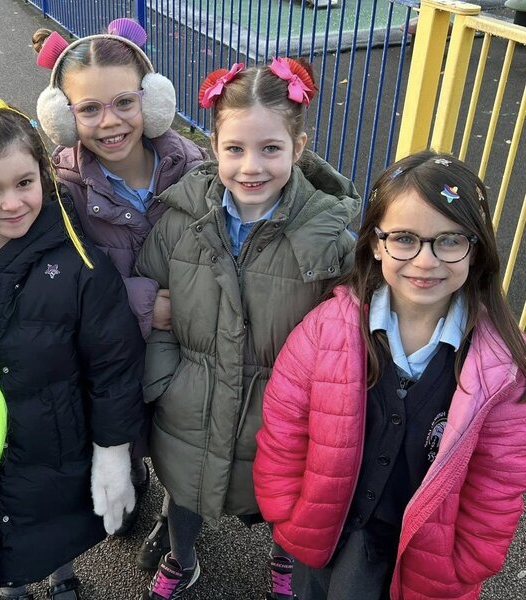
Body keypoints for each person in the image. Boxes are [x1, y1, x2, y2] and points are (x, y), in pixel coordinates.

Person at [254, 151, 526, 599]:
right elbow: (285, 428)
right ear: (376, 243)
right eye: (404, 238)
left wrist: (466, 561)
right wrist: (287, 512)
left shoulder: (500, 368)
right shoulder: (326, 329)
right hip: (327, 536)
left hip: (427, 559)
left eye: (449, 240)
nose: (425, 261)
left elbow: (498, 481)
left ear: (475, 249)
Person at [135, 59, 360, 599]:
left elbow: (349, 332)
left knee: (287, 498)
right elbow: (152, 292)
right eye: (235, 149)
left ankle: (285, 561)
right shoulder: (180, 221)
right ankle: (181, 557)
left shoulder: (328, 238)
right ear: (214, 145)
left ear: (298, 148)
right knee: (184, 487)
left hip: (284, 412)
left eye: (270, 149)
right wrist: (166, 380)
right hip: (192, 398)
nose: (250, 167)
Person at [0, 95, 145, 600]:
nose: (13, 203)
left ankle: (62, 575)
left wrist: (113, 449)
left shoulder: (80, 263)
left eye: (24, 183)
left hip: (57, 432)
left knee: (57, 515)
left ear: (43, 174)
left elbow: (113, 365)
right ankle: (13, 584)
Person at [32, 17, 208, 555]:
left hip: (188, 345)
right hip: (112, 352)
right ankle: (131, 474)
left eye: (125, 102)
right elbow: (61, 283)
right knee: (123, 427)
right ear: (63, 116)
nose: (110, 122)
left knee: (184, 441)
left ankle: (175, 518)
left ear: (152, 101)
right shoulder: (62, 190)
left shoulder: (193, 168)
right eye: (89, 109)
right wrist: (146, 305)